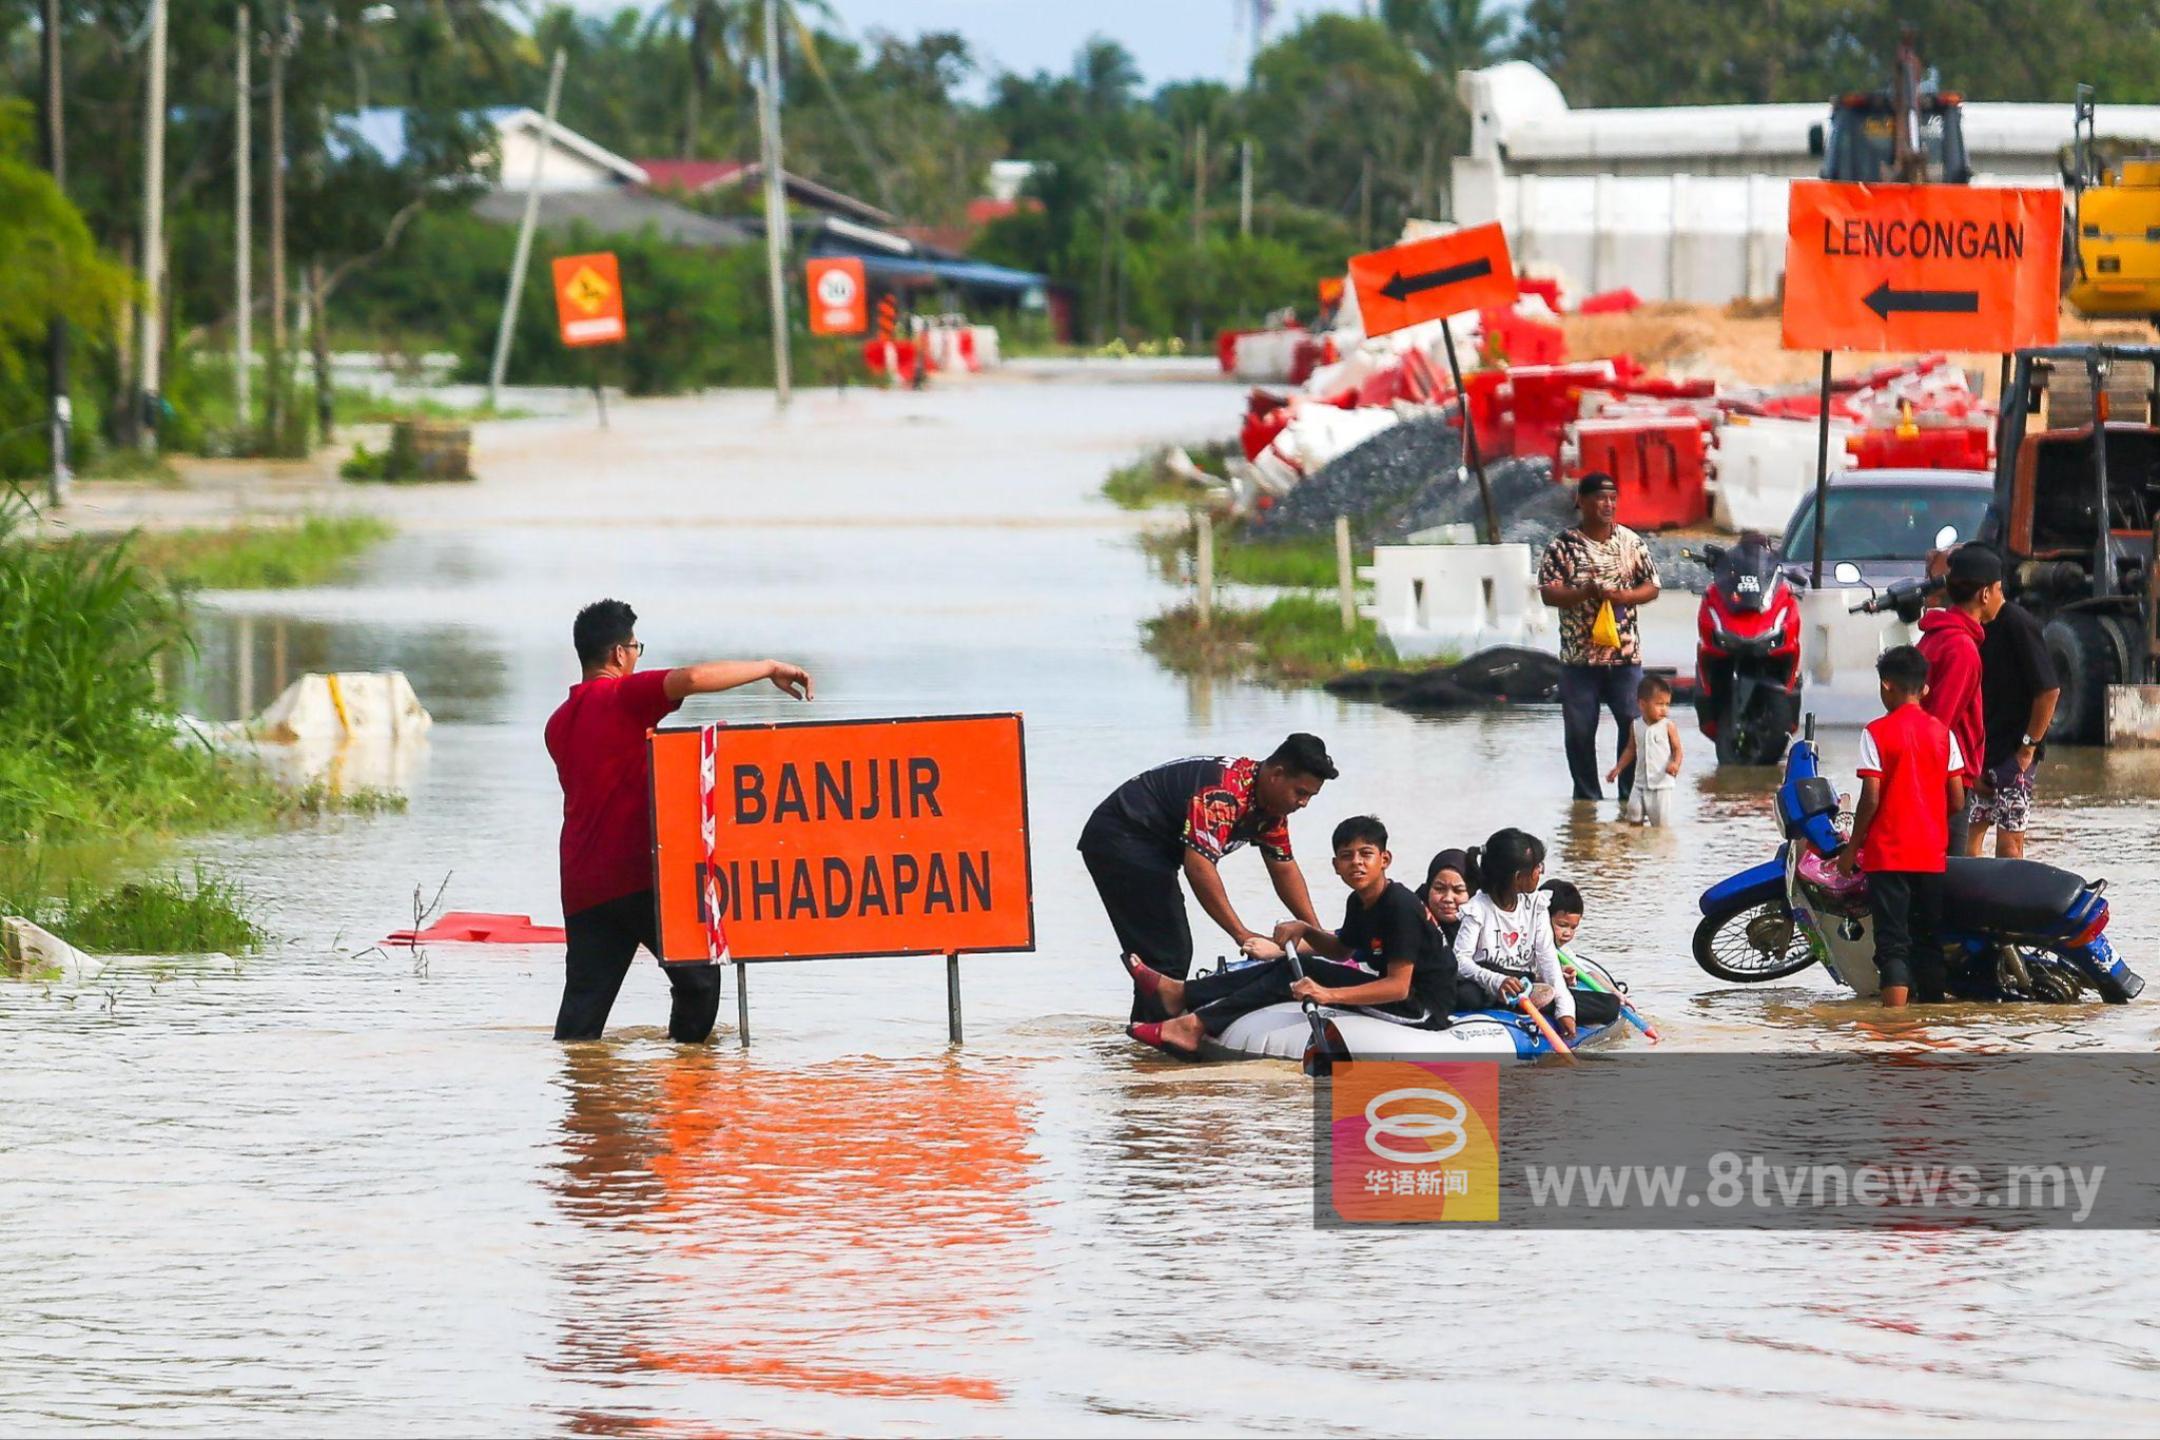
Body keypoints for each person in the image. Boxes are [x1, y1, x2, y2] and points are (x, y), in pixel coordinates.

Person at [547, 599, 814, 1042]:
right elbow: (690, 678)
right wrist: (768, 667)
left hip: (581, 882)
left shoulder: (556, 723)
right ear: (618, 653)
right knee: (699, 980)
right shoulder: (623, 697)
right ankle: (684, 1087)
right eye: (636, 648)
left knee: (583, 1011)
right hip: (637, 876)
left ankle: (584, 1099)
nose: (636, 657)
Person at [1121, 816, 1454, 1055]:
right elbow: (1340, 951)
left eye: (1366, 854)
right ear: (1335, 865)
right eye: (1347, 856)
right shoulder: (1360, 900)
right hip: (1403, 995)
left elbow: (1398, 986)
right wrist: (1306, 930)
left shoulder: (1400, 905)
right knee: (1289, 966)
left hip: (1421, 1007)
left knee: (1294, 974)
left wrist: (1327, 995)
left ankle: (1193, 1022)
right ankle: (1181, 995)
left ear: (1385, 860)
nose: (1357, 863)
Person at [1082, 735, 1334, 1020]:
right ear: (1277, 775)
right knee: (1168, 954)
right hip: (1123, 834)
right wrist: (1242, 934)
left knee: (1168, 951)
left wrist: (1318, 935)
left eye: (1311, 796)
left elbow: (1283, 867)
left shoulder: (1271, 809)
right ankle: (1152, 1039)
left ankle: (1151, 1032)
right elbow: (1199, 868)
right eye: (1301, 793)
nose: (1304, 803)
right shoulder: (1224, 793)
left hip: (1156, 848)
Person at [1838, 645, 1966, 1008]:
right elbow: (1956, 800)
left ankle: (1894, 1029)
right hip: (1930, 854)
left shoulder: (1875, 732)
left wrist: (1850, 851)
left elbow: (1871, 798)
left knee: (1893, 943)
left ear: (1886, 685)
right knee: (1928, 942)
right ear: (1924, 689)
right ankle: (1931, 1023)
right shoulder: (1944, 733)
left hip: (1887, 854)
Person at [1539, 472, 1662, 803]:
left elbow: (1652, 586)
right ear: (1581, 501)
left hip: (1624, 657)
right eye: (1599, 498)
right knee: (1580, 732)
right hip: (1579, 660)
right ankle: (1587, 801)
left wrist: (1626, 597)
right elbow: (1549, 595)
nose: (1607, 505)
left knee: (1632, 723)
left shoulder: (1631, 543)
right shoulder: (1561, 547)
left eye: (1612, 499)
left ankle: (1627, 796)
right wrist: (1583, 593)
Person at [1452, 829, 1621, 1034]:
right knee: (1467, 994)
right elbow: (1460, 961)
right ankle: (1515, 999)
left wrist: (1565, 1009)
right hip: (1487, 983)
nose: (1541, 872)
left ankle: (1531, 998)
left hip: (1526, 983)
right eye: (1537, 866)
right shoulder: (1477, 909)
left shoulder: (1537, 905)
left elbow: (1547, 959)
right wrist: (1497, 981)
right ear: (1517, 877)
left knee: (1610, 1005)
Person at [1916, 544, 2000, 856]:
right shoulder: (1962, 649)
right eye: (1999, 589)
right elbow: (1939, 726)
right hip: (1946, 785)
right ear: (1985, 594)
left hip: (1937, 779)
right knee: (1952, 873)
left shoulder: (1934, 635)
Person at [1968, 588, 2062, 859]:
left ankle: (2004, 901)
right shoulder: (1974, 628)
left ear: (1985, 592)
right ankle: (1971, 900)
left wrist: (2027, 749)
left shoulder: (2017, 623)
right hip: (1982, 752)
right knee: (1971, 840)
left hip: (2013, 754)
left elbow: (2049, 691)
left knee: (2009, 846)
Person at [1608, 673, 1682, 826]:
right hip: (1640, 783)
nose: (1664, 710)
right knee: (1633, 815)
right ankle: (1637, 846)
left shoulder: (1668, 726)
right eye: (1659, 704)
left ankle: (1660, 848)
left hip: (1661, 785)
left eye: (1667, 704)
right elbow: (1630, 749)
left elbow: (1678, 750)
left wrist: (1675, 764)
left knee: (1660, 825)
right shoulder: (1636, 725)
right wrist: (1619, 767)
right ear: (1642, 704)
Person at [1422, 848, 1472, 951]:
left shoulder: (1486, 928)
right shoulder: (1412, 922)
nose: (1448, 899)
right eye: (1439, 889)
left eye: (1458, 890)